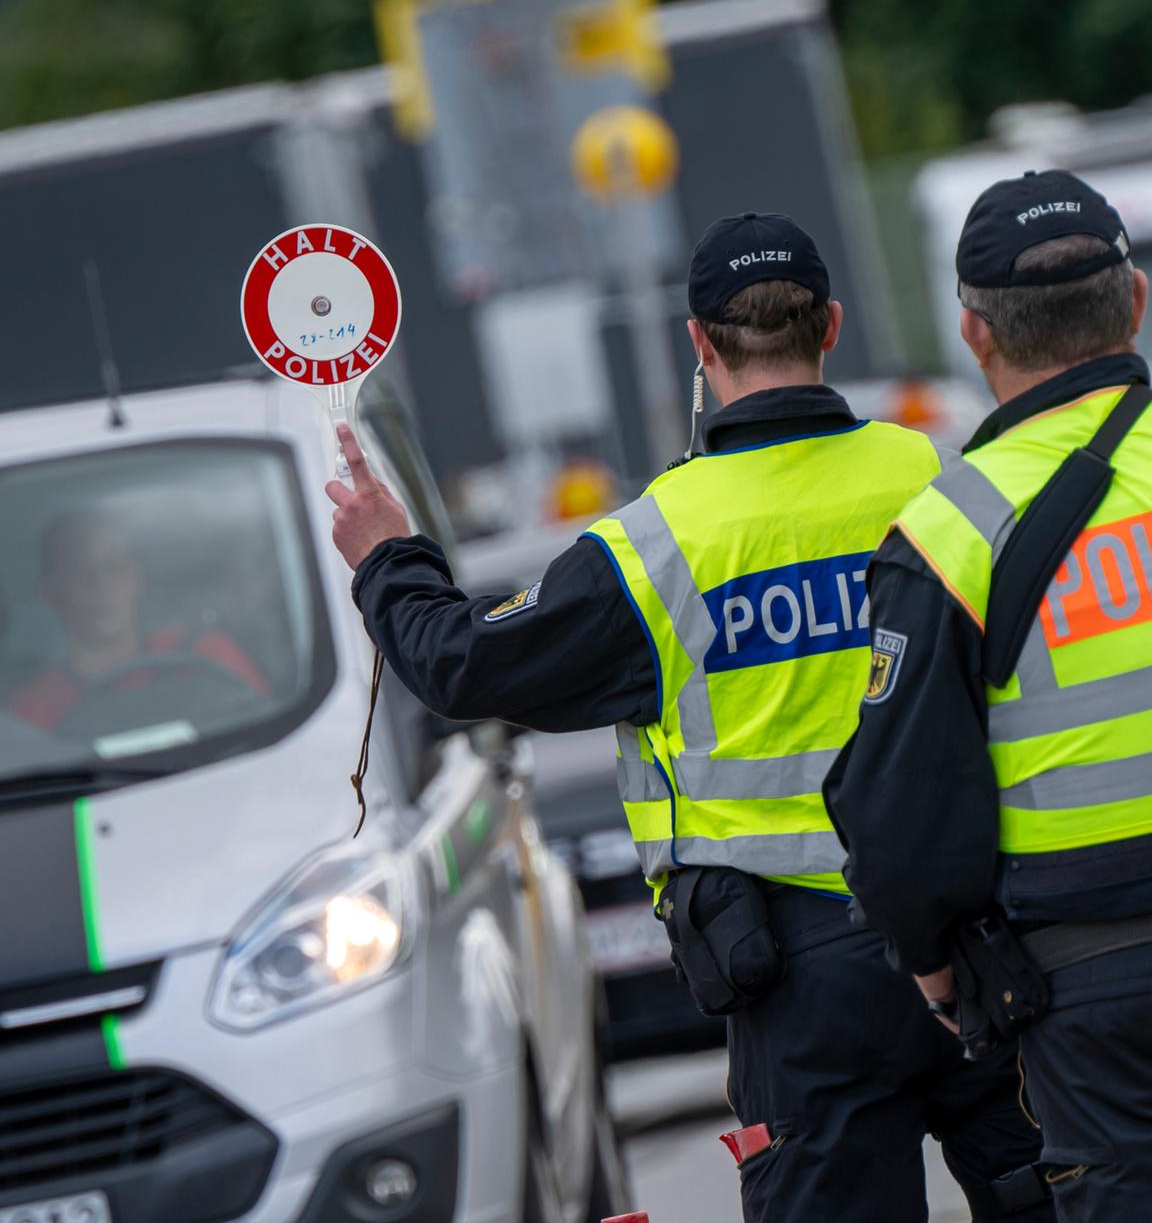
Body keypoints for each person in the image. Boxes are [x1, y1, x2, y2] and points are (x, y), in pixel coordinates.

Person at [326, 213, 1052, 1223]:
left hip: (797, 982)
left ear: (700, 344)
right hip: (977, 938)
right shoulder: (938, 478)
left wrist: (386, 557)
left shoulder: (655, 544)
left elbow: (462, 665)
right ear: (831, 324)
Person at [825, 170, 1152, 1220]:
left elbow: (902, 803)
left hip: (1088, 979)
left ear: (974, 332)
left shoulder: (949, 531)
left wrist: (933, 967)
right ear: (1135, 299)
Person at [9, 509, 267, 730]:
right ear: (50, 592)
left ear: (136, 577)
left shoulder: (205, 654)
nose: (101, 585)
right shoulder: (31, 711)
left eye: (113, 567)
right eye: (78, 571)